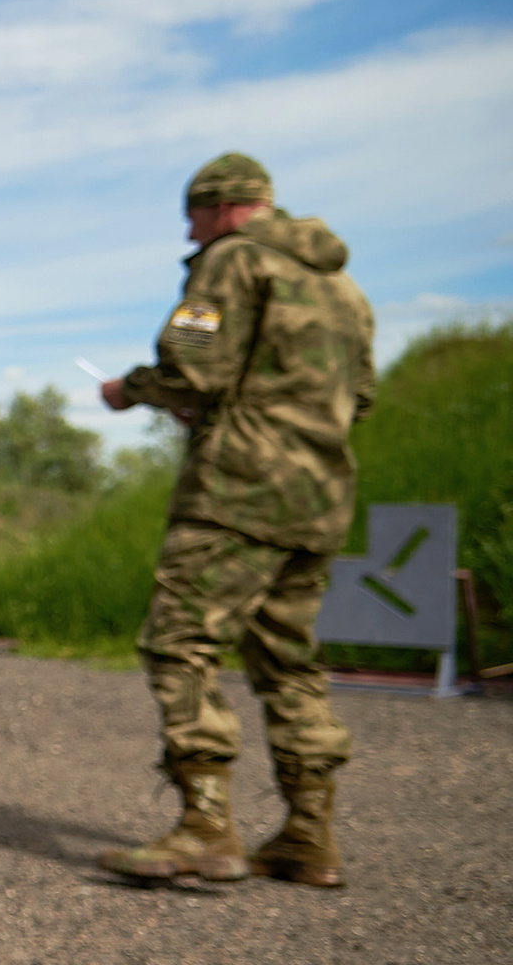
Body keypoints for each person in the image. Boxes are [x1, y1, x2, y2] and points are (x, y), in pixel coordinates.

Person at [97, 153, 373, 887]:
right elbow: (361, 396)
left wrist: (131, 391)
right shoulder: (343, 288)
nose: (190, 233)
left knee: (180, 640)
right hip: (319, 497)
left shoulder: (230, 261)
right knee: (288, 659)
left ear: (221, 207)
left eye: (192, 217)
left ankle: (205, 826)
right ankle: (309, 834)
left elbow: (192, 367)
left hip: (238, 492)